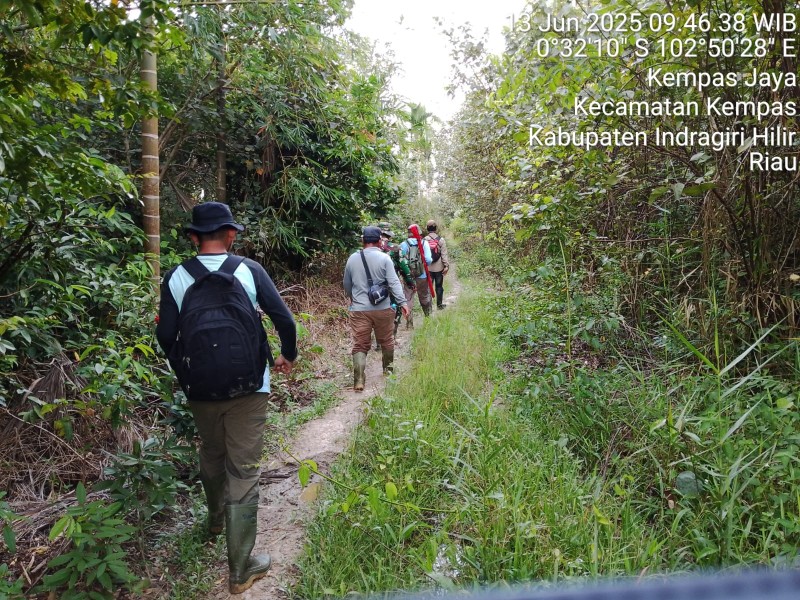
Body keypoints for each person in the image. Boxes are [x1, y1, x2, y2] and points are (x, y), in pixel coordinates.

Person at [156, 202, 298, 595]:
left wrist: (186, 372)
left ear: (193, 238)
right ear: (231, 235)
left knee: (212, 453)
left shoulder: (177, 276)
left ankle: (215, 519)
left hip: (200, 388)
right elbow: (283, 318)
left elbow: (166, 336)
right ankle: (241, 568)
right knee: (245, 469)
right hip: (250, 386)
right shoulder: (248, 270)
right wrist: (288, 354)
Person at [343, 226, 410, 391]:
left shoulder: (352, 259)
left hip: (359, 309)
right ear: (380, 241)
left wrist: (355, 298)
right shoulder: (385, 258)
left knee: (360, 344)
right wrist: (403, 302)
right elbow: (394, 283)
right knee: (387, 340)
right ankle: (388, 372)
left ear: (362, 241)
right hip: (383, 308)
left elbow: (346, 284)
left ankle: (359, 380)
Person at [380, 228, 415, 337]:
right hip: (392, 284)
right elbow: (403, 266)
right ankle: (392, 336)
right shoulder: (395, 248)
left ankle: (378, 341)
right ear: (390, 235)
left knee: (377, 310)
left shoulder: (372, 248)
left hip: (374, 286)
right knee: (395, 308)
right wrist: (410, 281)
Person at [399, 224, 433, 326]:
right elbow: (428, 259)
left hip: (408, 277)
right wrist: (422, 266)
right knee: (424, 296)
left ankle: (409, 323)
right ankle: (428, 318)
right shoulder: (424, 243)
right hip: (422, 276)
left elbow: (401, 261)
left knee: (408, 297)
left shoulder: (403, 244)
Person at [424, 219, 450, 310]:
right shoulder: (441, 240)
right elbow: (444, 254)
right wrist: (446, 266)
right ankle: (439, 305)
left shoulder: (424, 240)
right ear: (436, 228)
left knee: (428, 288)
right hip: (439, 268)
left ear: (427, 228)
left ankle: (429, 308)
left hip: (428, 268)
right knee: (439, 286)